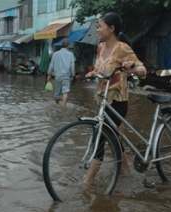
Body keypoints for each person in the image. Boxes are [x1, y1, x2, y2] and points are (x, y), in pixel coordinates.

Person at [83, 12, 147, 183]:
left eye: (99, 26)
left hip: (117, 102)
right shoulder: (100, 48)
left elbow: (143, 70)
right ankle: (125, 169)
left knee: (100, 136)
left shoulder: (122, 48)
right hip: (102, 101)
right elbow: (99, 70)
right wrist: (92, 73)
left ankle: (87, 182)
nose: (97, 30)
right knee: (114, 134)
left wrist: (131, 67)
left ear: (111, 29)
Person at [47, 39, 75, 106]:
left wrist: (49, 74)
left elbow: (51, 65)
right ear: (68, 46)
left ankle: (57, 105)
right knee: (65, 91)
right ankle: (63, 107)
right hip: (66, 76)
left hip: (58, 76)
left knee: (57, 92)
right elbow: (72, 66)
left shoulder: (55, 54)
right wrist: (73, 75)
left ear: (61, 45)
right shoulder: (70, 54)